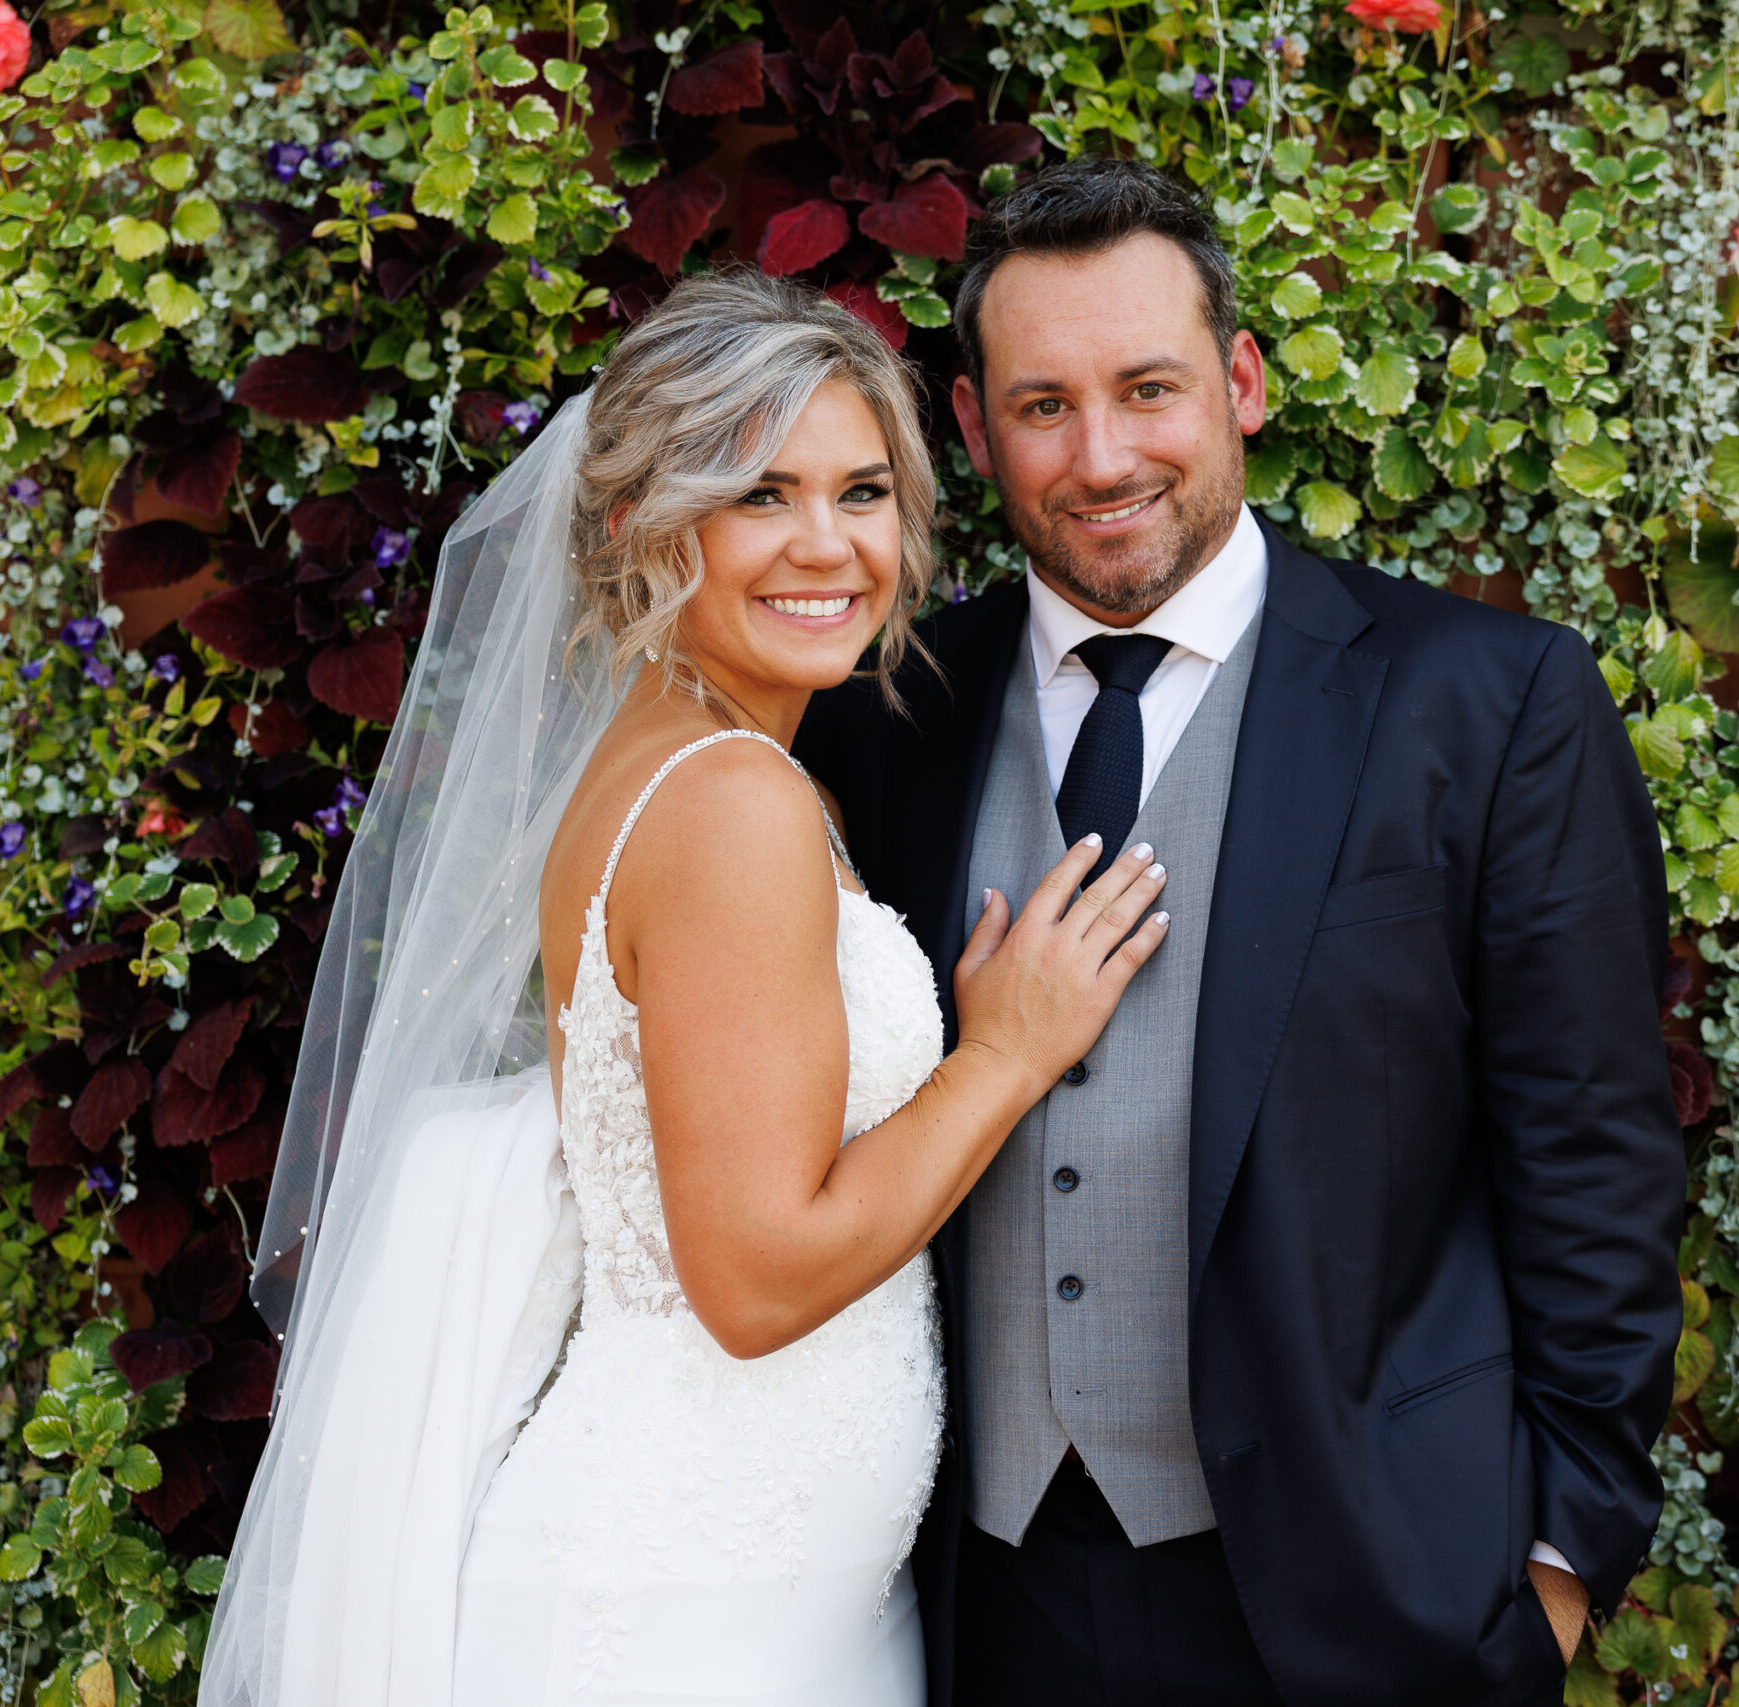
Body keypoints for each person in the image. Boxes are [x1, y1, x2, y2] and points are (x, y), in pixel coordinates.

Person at [795, 155, 1688, 1706]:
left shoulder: (1487, 702)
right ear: (971, 425)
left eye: (1150, 387)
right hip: (978, 1598)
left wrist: (1556, 1568)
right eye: (1044, 404)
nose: (1102, 455)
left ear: (1244, 382)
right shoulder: (886, 716)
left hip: (1366, 1592)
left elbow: (1597, 1159)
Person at [202, 271, 1167, 1706]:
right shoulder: (729, 804)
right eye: (761, 496)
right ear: (644, 531)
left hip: (756, 1587)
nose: (827, 546)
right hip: (684, 1605)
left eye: (862, 492)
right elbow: (758, 1274)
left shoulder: (702, 764)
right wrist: (1004, 1058)